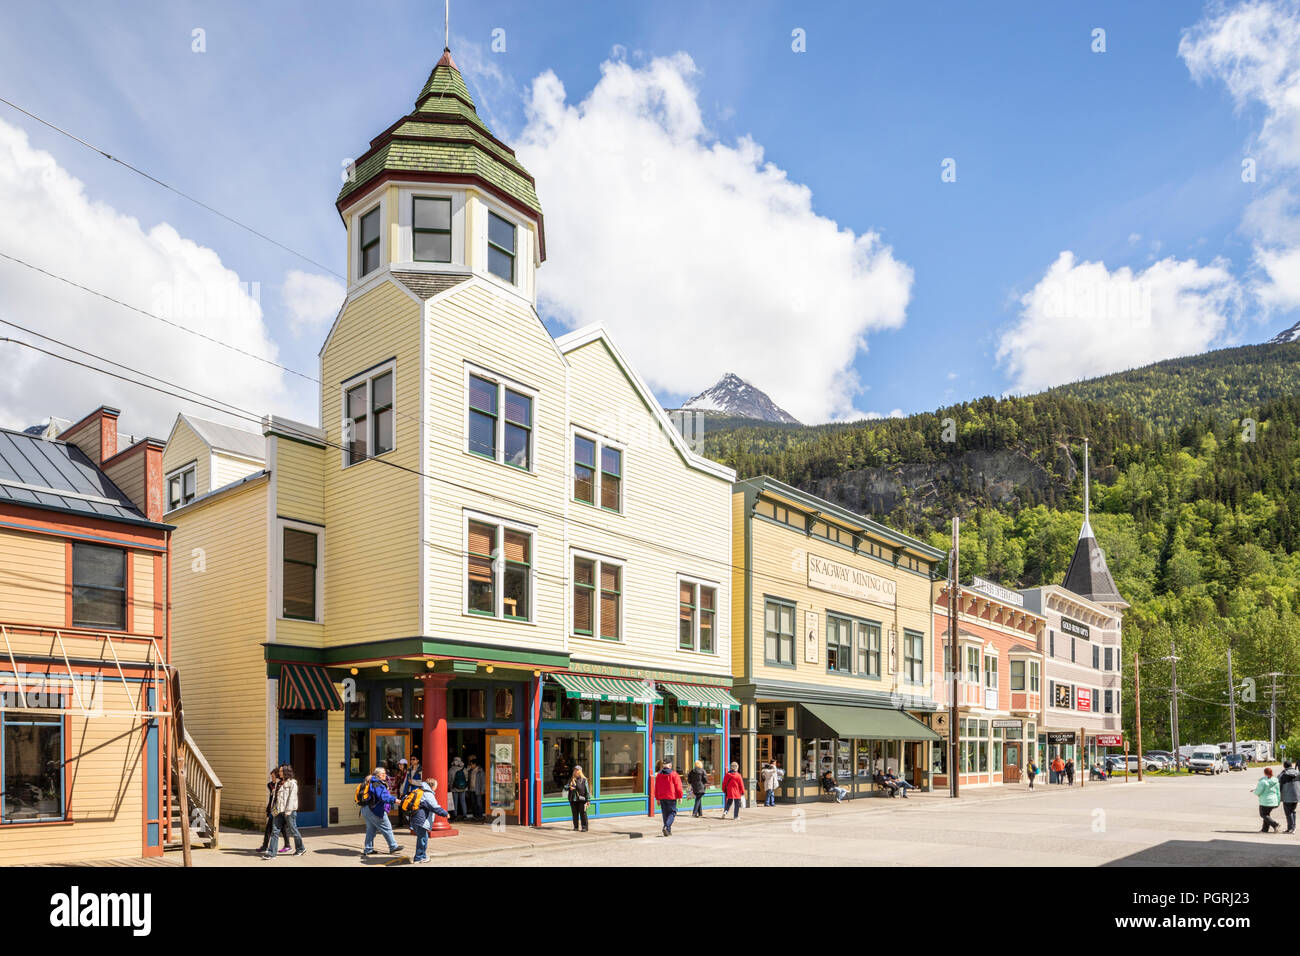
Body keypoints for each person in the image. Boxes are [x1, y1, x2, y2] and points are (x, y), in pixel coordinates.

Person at [263, 764, 305, 858]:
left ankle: (300, 848)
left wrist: (288, 811)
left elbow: (291, 798)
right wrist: (271, 809)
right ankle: (271, 853)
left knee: (293, 830)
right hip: (278, 811)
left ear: (286, 772)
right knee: (275, 831)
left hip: (288, 811)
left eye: (281, 771)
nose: (280, 773)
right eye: (280, 771)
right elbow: (275, 797)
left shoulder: (292, 784)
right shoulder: (278, 783)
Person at [360, 766, 404, 856]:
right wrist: (395, 800)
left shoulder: (369, 781)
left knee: (371, 830)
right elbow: (383, 796)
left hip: (365, 809)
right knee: (387, 827)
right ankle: (393, 846)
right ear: (378, 775)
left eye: (385, 773)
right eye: (383, 774)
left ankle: (368, 849)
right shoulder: (377, 784)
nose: (385, 775)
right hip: (375, 810)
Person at [408, 779, 450, 863]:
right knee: (422, 839)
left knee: (423, 837)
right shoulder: (427, 793)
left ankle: (422, 856)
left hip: (414, 818)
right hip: (421, 819)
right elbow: (434, 806)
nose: (436, 788)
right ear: (432, 786)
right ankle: (419, 857)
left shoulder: (419, 790)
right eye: (436, 786)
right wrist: (445, 813)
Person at [257, 766, 288, 854]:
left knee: (281, 828)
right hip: (273, 810)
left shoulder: (282, 784)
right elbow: (272, 799)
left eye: (274, 777)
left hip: (281, 810)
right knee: (270, 828)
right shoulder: (271, 785)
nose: (272, 778)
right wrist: (268, 809)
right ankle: (266, 846)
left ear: (278, 776)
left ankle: (285, 845)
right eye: (271, 777)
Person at [653, 757, 684, 835]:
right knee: (672, 812)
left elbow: (656, 787)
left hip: (662, 797)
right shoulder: (674, 774)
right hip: (671, 796)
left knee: (665, 814)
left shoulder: (659, 775)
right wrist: (680, 796)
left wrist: (657, 798)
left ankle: (668, 830)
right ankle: (666, 827)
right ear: (670, 765)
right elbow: (678, 786)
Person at [1255, 765, 1282, 833]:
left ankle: (1275, 825)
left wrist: (1255, 792)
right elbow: (1278, 792)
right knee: (1267, 815)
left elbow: (1258, 791)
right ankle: (1264, 829)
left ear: (1265, 773)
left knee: (1263, 814)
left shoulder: (1263, 781)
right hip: (1274, 801)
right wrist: (1278, 801)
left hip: (1265, 801)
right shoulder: (1276, 781)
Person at [565, 765, 591, 832]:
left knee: (583, 814)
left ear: (580, 771)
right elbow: (565, 787)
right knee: (575, 814)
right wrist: (569, 787)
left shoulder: (584, 780)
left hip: (581, 799)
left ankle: (584, 827)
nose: (575, 771)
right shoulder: (571, 779)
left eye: (577, 770)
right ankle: (576, 827)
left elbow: (587, 790)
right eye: (575, 770)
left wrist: (588, 800)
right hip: (573, 799)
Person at [1280, 761, 1300, 833]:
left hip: (1287, 796)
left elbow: (1278, 783)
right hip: (1296, 796)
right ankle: (1292, 827)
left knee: (1288, 813)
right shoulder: (1298, 773)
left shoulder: (1283, 774)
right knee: (1293, 812)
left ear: (1284, 766)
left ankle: (1291, 828)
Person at [448, 756, 469, 820]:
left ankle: (455, 815)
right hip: (463, 788)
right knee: (463, 801)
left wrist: (450, 787)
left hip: (454, 788)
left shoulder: (451, 769)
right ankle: (465, 814)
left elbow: (450, 780)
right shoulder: (464, 769)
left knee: (455, 802)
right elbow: (466, 778)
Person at [466, 755, 485, 820]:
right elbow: (469, 781)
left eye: (471, 764)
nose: (471, 766)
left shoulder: (480, 771)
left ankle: (480, 816)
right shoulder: (470, 771)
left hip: (478, 790)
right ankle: (475, 815)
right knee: (473, 803)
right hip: (471, 790)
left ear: (475, 764)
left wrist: (482, 790)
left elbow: (483, 782)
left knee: (479, 803)